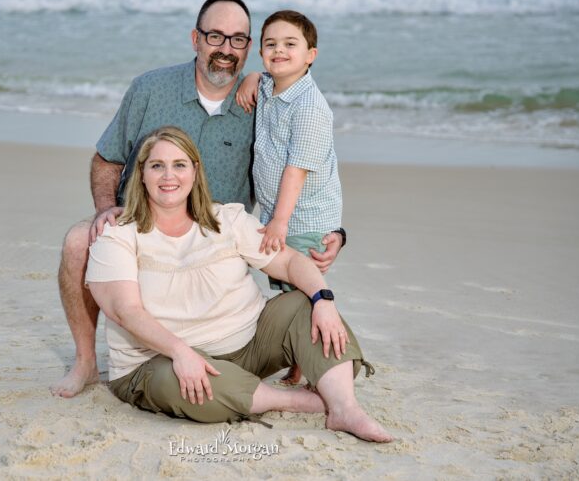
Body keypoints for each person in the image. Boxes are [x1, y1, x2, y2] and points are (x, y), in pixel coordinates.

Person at [51, 0, 346, 398]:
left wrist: (335, 231)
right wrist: (106, 209)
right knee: (76, 241)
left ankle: (298, 368)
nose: (226, 49)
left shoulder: (262, 103)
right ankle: (85, 362)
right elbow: (107, 158)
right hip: (141, 222)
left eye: (238, 39)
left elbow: (304, 162)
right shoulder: (151, 88)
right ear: (195, 39)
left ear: (249, 49)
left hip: (216, 235)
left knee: (300, 279)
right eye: (215, 36)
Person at [86, 126, 392, 442]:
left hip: (247, 346)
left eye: (179, 164)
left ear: (194, 171)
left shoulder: (227, 220)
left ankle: (345, 409)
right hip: (156, 360)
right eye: (157, 165)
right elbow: (126, 311)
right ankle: (300, 401)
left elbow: (289, 262)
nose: (169, 176)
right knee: (186, 384)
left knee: (305, 303)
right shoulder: (118, 236)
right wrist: (180, 352)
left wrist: (323, 299)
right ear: (142, 173)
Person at [237, 10, 344, 384]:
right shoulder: (269, 85)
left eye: (290, 44)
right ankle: (300, 361)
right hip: (279, 210)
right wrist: (251, 77)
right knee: (289, 288)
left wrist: (278, 222)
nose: (279, 50)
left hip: (305, 216)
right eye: (270, 44)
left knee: (302, 292)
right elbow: (260, 76)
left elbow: (296, 171)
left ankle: (314, 363)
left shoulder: (310, 108)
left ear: (310, 55)